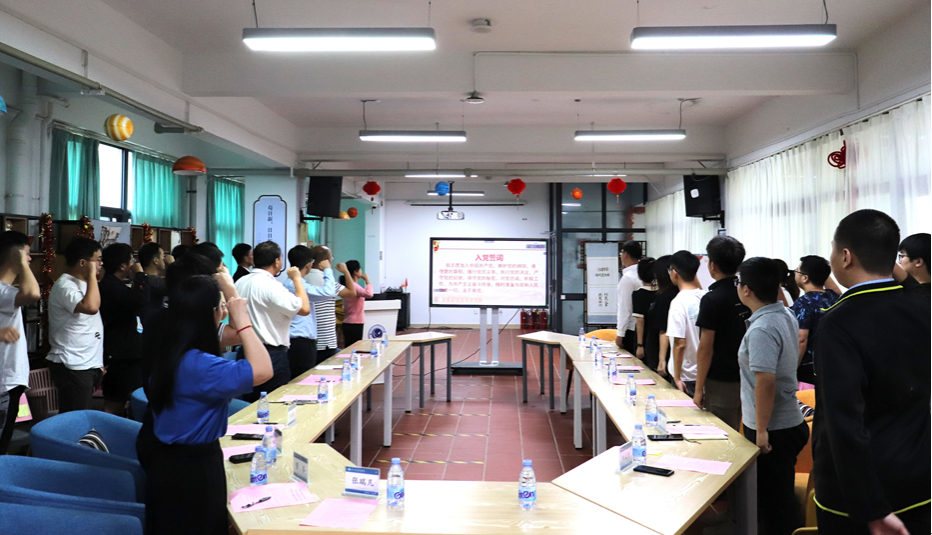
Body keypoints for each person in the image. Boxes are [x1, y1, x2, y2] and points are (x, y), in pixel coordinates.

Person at [814, 210, 930, 535]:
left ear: (845, 256)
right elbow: (914, 288)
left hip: (860, 495)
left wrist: (871, 507)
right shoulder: (922, 306)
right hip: (919, 475)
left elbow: (844, 419)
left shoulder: (838, 321)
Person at [137, 275, 272, 535]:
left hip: (166, 462)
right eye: (220, 307)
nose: (224, 311)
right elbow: (263, 369)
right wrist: (243, 320)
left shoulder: (171, 348)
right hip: (192, 468)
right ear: (211, 313)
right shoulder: (201, 366)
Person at [735, 257, 808, 535]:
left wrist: (762, 431)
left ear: (746, 289)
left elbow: (765, 382)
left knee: (774, 505)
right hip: (787, 420)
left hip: (772, 427)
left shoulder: (762, 328)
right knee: (778, 497)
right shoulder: (784, 313)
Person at [234, 241, 310, 401]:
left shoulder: (240, 282)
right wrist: (297, 279)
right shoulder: (271, 285)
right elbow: (304, 309)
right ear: (277, 261)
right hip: (271, 355)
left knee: (248, 406)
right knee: (273, 407)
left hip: (245, 352)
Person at [694, 236, 750, 432]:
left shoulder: (712, 299)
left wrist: (698, 387)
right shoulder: (748, 293)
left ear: (712, 265)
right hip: (749, 376)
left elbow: (705, 348)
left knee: (724, 434)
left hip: (721, 380)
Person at [47, 238, 105, 413]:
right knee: (76, 417)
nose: (101, 264)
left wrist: (97, 362)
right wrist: (92, 275)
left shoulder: (85, 284)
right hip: (72, 364)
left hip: (86, 362)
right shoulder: (65, 286)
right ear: (82, 263)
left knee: (83, 413)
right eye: (97, 260)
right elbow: (91, 307)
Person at [283, 245, 352, 378]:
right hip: (300, 341)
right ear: (309, 265)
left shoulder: (293, 283)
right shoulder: (297, 285)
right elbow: (329, 292)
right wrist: (327, 270)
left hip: (300, 340)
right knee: (303, 379)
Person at [99, 243, 150, 416]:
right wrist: (141, 275)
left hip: (125, 351)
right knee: (115, 400)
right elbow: (140, 300)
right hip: (119, 353)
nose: (134, 263)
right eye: (131, 260)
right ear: (122, 266)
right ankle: (109, 429)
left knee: (126, 397)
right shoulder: (110, 286)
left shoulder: (115, 285)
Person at [0, 231, 40, 454]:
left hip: (8, 381)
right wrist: (21, 263)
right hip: (4, 383)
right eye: (27, 253)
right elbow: (33, 293)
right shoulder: (2, 290)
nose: (30, 258)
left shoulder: (6, 290)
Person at [790, 255, 839, 385]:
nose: (795, 273)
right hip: (834, 360)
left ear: (805, 278)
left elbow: (801, 339)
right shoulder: (834, 297)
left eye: (797, 271)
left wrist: (792, 370)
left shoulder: (803, 303)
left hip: (809, 367)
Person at [666, 251, 706, 396]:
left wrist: (677, 377)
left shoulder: (678, 302)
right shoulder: (706, 297)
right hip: (705, 372)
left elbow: (679, 344)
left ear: (674, 273)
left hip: (686, 376)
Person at [308, 245, 356, 362]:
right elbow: (351, 292)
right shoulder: (326, 280)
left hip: (308, 337)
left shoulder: (302, 277)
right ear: (327, 261)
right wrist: (345, 271)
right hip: (326, 339)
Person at [645, 256, 678, 375]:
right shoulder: (665, 294)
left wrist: (661, 360)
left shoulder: (666, 297)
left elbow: (663, 329)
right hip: (660, 348)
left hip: (661, 349)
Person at [614, 241, 643, 353]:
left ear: (625, 255)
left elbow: (625, 308)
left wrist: (620, 333)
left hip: (631, 329)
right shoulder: (645, 274)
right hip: (645, 327)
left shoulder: (628, 278)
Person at [340, 260, 374, 348]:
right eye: (360, 269)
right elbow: (369, 294)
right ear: (355, 272)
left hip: (349, 322)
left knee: (350, 348)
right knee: (354, 348)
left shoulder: (349, 285)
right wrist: (367, 280)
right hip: (355, 323)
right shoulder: (354, 286)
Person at [631, 257, 656, 361]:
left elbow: (640, 320)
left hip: (645, 336)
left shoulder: (638, 294)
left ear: (639, 275)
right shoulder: (662, 293)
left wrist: (640, 345)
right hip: (658, 334)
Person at [138, 242, 168, 328]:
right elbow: (178, 287)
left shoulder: (142, 278)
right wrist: (172, 264)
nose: (165, 259)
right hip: (152, 325)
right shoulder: (153, 281)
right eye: (163, 256)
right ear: (156, 260)